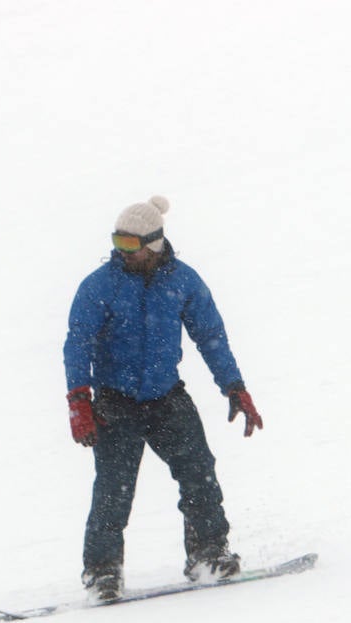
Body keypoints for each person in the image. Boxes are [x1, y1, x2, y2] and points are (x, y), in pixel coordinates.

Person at [63, 195, 263, 602]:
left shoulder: (183, 281)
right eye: (117, 242)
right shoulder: (99, 286)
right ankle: (101, 573)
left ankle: (209, 554)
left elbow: (210, 336)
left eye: (130, 245)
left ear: (153, 244)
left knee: (199, 474)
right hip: (115, 403)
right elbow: (77, 344)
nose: (122, 253)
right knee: (114, 491)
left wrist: (234, 386)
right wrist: (79, 400)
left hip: (166, 397)